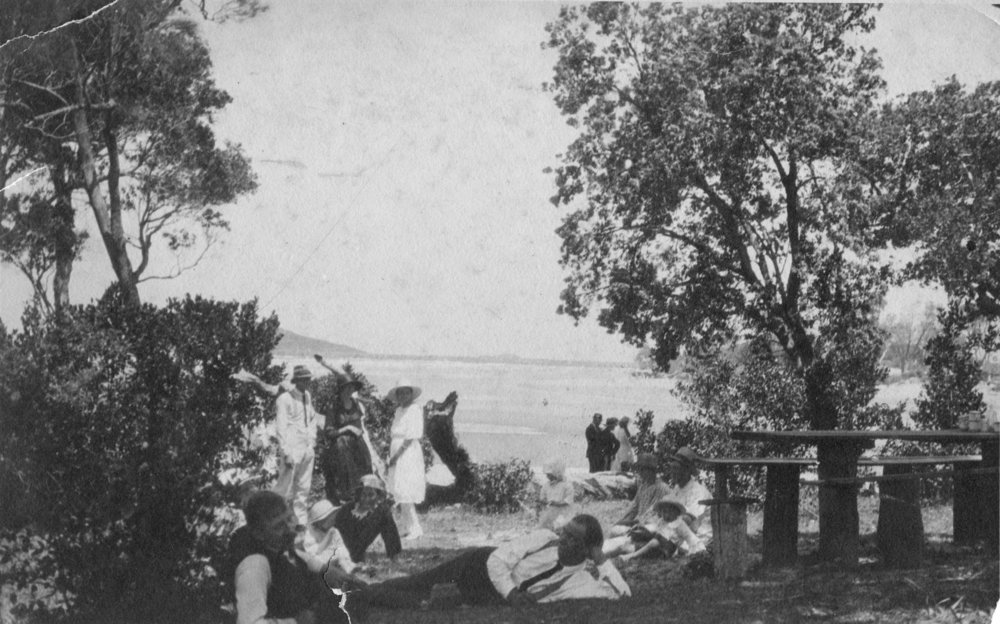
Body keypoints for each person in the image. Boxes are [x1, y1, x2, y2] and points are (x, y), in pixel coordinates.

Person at [368, 514, 630, 607]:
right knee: (419, 582)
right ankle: (361, 591)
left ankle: (359, 595)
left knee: (425, 603)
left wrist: (601, 560)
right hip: (478, 565)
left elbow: (624, 594)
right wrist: (512, 594)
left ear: (587, 549)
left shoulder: (580, 578)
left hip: (495, 595)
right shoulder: (545, 537)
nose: (564, 539)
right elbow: (497, 561)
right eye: (566, 533)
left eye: (573, 539)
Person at [228, 491, 364, 624]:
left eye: (289, 520)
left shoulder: (280, 547)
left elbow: (302, 557)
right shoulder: (254, 566)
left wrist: (326, 570)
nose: (290, 530)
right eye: (279, 526)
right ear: (259, 533)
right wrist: (294, 621)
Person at [274, 365, 328, 525]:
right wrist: (286, 452)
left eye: (308, 379)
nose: (306, 382)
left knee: (303, 489)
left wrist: (311, 443)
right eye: (303, 379)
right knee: (284, 488)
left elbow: (311, 420)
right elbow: (281, 427)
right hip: (291, 448)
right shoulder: (284, 399)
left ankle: (300, 525)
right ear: (296, 380)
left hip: (306, 449)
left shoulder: (307, 396)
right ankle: (276, 521)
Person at [321, 378, 375, 505]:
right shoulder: (333, 406)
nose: (349, 391)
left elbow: (359, 428)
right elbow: (329, 432)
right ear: (341, 389)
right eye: (347, 388)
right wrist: (347, 428)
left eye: (352, 388)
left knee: (364, 474)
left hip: (357, 445)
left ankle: (363, 502)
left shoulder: (356, 405)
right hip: (340, 447)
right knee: (344, 477)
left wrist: (356, 430)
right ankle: (345, 501)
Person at [604, 497, 706, 561]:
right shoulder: (663, 522)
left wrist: (694, 550)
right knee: (627, 546)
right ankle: (606, 554)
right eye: (663, 512)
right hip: (657, 546)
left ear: (676, 513)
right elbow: (655, 530)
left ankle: (633, 555)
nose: (666, 515)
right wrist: (642, 528)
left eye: (669, 512)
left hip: (666, 550)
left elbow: (690, 537)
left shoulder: (679, 524)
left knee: (655, 541)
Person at [385, 379, 426, 540]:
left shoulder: (415, 409)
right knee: (399, 490)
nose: (403, 395)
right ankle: (408, 527)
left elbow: (410, 437)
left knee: (406, 489)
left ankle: (416, 528)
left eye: (406, 392)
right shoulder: (398, 411)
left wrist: (396, 456)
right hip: (396, 449)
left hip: (407, 452)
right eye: (400, 392)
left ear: (411, 393)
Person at [331, 474, 402, 565]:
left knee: (386, 516)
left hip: (356, 556)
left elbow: (391, 535)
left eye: (371, 495)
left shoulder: (381, 513)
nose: (366, 499)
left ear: (378, 496)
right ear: (359, 495)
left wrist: (394, 559)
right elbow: (333, 534)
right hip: (336, 552)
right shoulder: (347, 509)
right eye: (363, 494)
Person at [608, 453, 671, 538]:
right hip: (639, 524)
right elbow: (634, 507)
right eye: (639, 469)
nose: (639, 472)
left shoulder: (661, 488)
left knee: (618, 534)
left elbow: (652, 514)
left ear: (651, 470)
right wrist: (622, 521)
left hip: (651, 528)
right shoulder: (643, 485)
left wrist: (633, 523)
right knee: (615, 530)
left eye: (642, 469)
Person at [665, 446, 713, 543]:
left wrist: (663, 530)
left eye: (676, 469)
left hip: (700, 537)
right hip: (683, 533)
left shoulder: (698, 492)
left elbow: (687, 519)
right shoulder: (677, 489)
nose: (672, 472)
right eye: (672, 468)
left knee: (658, 540)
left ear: (687, 471)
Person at [295, 499, 357, 575]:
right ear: (319, 521)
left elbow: (342, 549)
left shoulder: (334, 531)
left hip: (337, 569)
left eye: (332, 516)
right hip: (320, 571)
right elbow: (313, 557)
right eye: (328, 518)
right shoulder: (309, 535)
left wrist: (349, 565)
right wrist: (334, 557)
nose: (332, 519)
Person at [536, 459, 575, 531]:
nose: (547, 477)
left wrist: (557, 503)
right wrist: (544, 502)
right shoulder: (546, 486)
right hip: (549, 514)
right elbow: (542, 498)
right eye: (547, 475)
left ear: (556, 473)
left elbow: (568, 501)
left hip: (563, 515)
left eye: (549, 475)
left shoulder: (567, 485)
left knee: (560, 529)